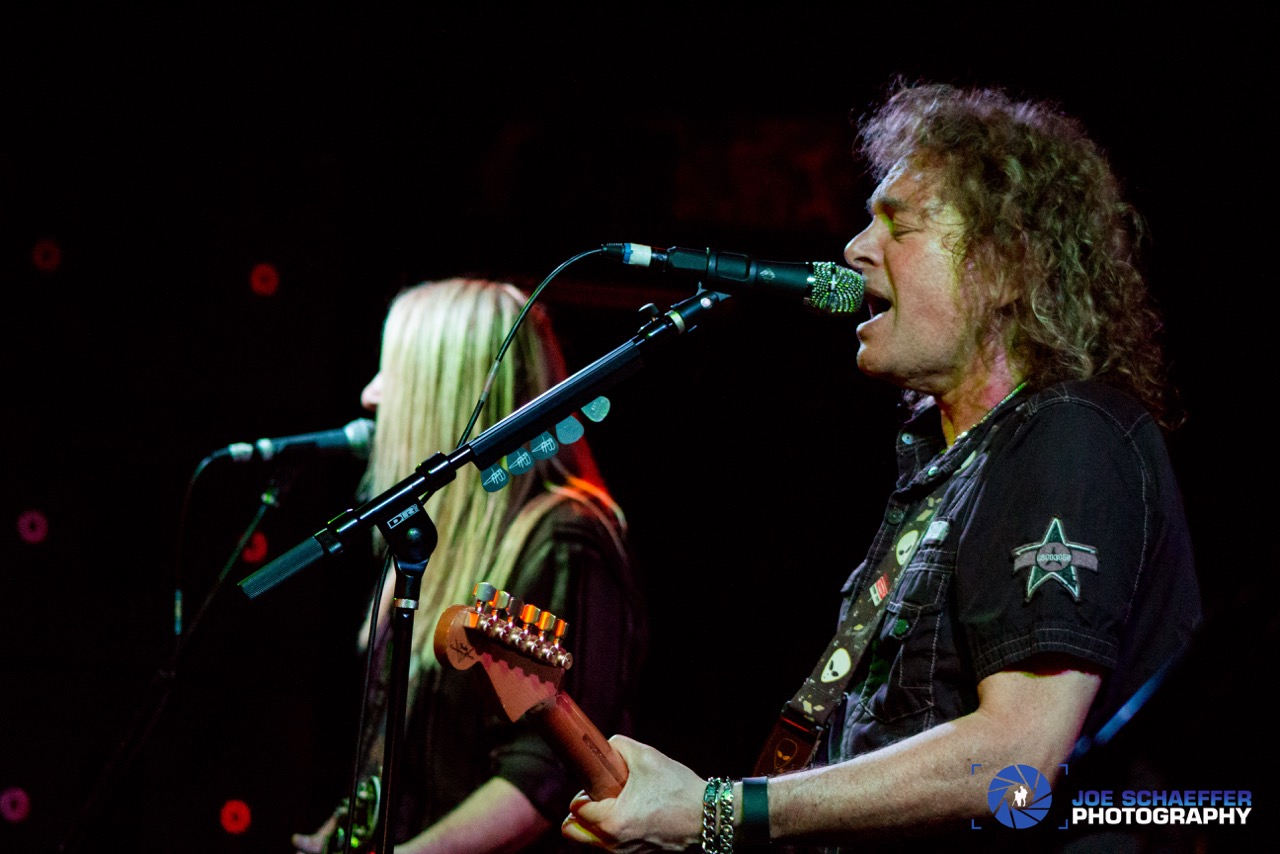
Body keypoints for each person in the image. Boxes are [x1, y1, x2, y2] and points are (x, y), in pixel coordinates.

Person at [561, 81, 1201, 851]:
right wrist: (695, 808)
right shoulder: (945, 466)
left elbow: (1017, 756)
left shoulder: (1070, 435)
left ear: (1005, 265)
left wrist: (718, 811)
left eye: (897, 223)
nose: (856, 248)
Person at [293, 278, 646, 853]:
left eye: (393, 372)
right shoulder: (431, 545)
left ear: (447, 393)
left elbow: (542, 779)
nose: (371, 395)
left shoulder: (563, 539)